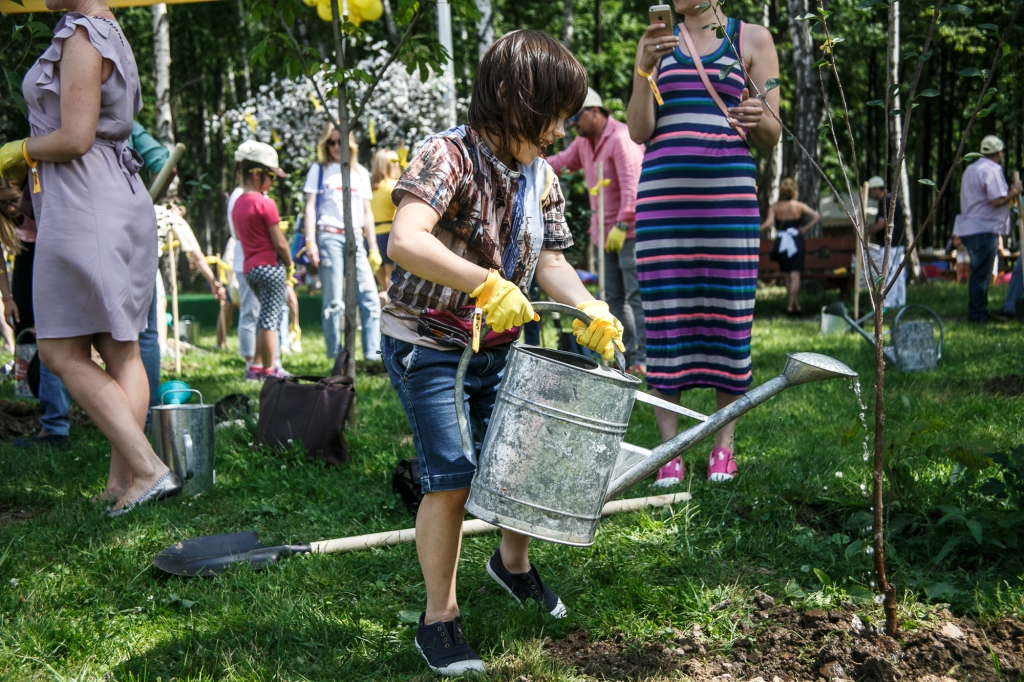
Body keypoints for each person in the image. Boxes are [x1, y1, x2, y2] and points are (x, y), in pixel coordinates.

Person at [382, 30, 625, 676]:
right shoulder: (447, 156)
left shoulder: (540, 174)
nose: (560, 130)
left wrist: (587, 307)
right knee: (453, 476)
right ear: (507, 97)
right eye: (551, 114)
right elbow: (405, 240)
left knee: (520, 459)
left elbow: (549, 257)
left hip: (498, 346)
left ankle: (510, 565)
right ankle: (439, 620)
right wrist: (484, 283)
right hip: (429, 345)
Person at [0, 1, 177, 514]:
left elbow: (75, 138)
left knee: (58, 349)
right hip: (107, 192)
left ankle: (146, 468)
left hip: (86, 200)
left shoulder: (81, 35)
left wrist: (21, 150)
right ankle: (125, 485)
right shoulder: (106, 30)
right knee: (119, 346)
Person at [627, 0, 780, 485]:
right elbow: (638, 129)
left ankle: (723, 447)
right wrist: (644, 68)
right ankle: (668, 450)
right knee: (665, 319)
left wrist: (760, 114)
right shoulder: (654, 39)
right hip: (662, 209)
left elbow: (773, 133)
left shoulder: (753, 39)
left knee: (729, 319)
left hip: (730, 205)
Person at [546, 87, 647, 374]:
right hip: (604, 234)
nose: (571, 124)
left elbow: (633, 185)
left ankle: (642, 359)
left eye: (576, 117)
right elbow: (562, 162)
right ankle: (621, 355)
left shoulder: (620, 138)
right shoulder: (584, 143)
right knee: (612, 297)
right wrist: (532, 163)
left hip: (630, 232)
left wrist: (623, 222)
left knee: (636, 295)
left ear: (594, 111)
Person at [0, 179, 71, 449]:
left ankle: (55, 424)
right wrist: (7, 298)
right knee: (28, 332)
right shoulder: (7, 223)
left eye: (12, 200)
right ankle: (43, 405)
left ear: (23, 191)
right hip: (26, 258)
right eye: (2, 204)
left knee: (50, 336)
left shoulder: (42, 199)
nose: (10, 208)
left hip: (51, 254)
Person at [303, 126, 382, 361]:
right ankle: (335, 356)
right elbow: (309, 207)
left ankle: (371, 355)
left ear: (351, 145)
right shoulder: (319, 170)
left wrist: (374, 246)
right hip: (328, 237)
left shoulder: (360, 173)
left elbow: (367, 212)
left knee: (369, 297)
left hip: (356, 238)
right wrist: (310, 242)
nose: (337, 147)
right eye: (331, 143)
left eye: (341, 142)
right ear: (325, 145)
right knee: (333, 301)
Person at [232, 141, 291, 379]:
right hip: (270, 267)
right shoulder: (265, 203)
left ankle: (255, 365)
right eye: (271, 177)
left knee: (263, 315)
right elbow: (279, 242)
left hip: (250, 269)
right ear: (257, 175)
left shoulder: (237, 204)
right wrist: (289, 262)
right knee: (271, 319)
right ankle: (270, 369)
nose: (273, 183)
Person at [953, 135, 1022, 323]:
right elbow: (996, 199)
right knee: (981, 274)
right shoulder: (992, 170)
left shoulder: (971, 169)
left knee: (978, 272)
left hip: (968, 228)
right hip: (983, 228)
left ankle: (979, 311)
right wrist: (1014, 191)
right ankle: (978, 315)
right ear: (999, 153)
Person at [760, 177, 820, 316]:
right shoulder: (799, 206)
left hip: (781, 243)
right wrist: (804, 228)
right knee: (795, 274)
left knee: (787, 274)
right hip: (796, 241)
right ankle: (793, 305)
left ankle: (792, 305)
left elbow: (768, 224)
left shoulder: (775, 207)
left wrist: (754, 229)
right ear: (794, 191)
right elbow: (817, 217)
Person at [865, 175, 907, 310]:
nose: (870, 195)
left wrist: (865, 232)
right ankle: (900, 302)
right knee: (898, 273)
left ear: (877, 189)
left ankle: (889, 303)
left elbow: (880, 225)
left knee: (889, 272)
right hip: (898, 243)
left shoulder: (886, 201)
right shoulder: (891, 200)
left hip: (891, 244)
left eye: (870, 191)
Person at [371, 148, 401, 304]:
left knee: (383, 285)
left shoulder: (372, 188)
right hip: (388, 236)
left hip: (370, 240)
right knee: (392, 285)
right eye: (395, 163)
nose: (398, 166)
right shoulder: (394, 186)